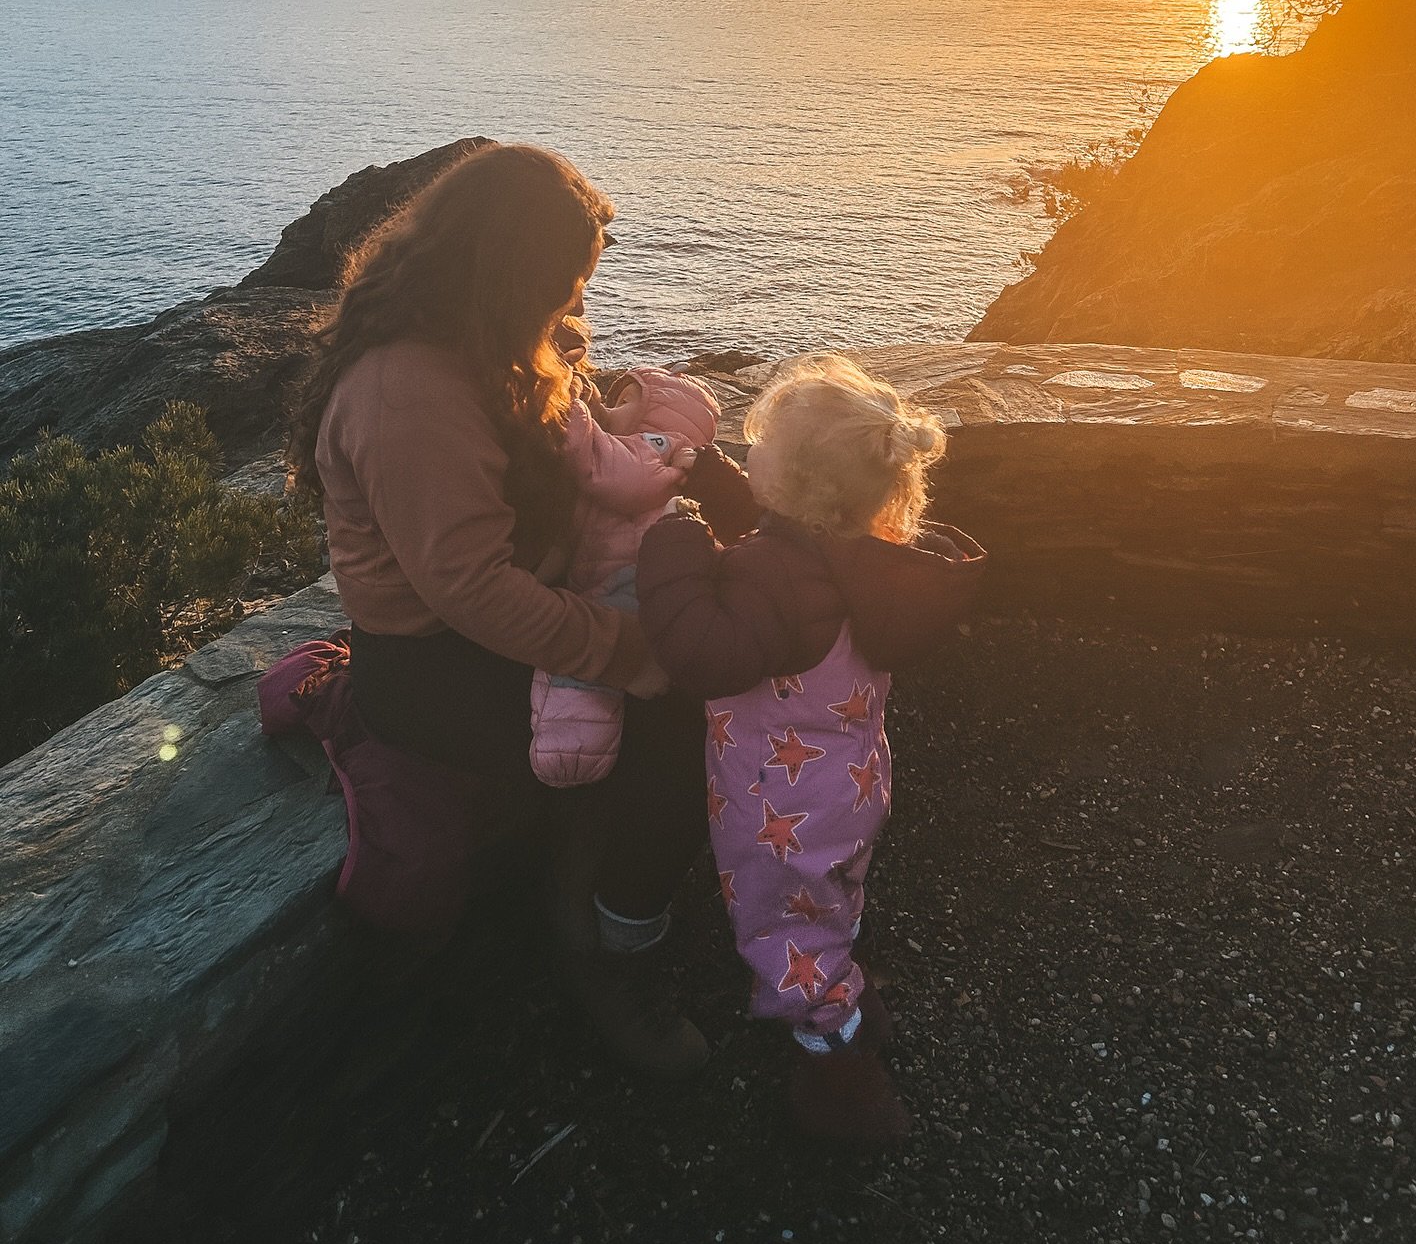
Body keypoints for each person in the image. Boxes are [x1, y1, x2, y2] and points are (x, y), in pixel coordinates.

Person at [287, 142, 757, 1078]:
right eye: (565, 285)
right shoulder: (406, 392)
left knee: (711, 650)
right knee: (670, 718)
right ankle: (599, 959)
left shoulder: (497, 341)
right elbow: (467, 587)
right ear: (505, 274)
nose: (575, 308)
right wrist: (621, 650)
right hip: (433, 660)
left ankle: (610, 901)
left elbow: (579, 457)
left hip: (524, 608)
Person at [635, 354, 987, 1143]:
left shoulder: (768, 576)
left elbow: (703, 651)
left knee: (785, 936)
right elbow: (781, 549)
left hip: (777, 813)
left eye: (758, 447)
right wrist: (722, 484)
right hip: (848, 787)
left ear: (794, 485)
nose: (748, 452)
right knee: (831, 898)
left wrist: (674, 549)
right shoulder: (864, 557)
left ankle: (844, 1080)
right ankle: (855, 993)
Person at [530, 366, 721, 787]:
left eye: (625, 400)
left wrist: (572, 401)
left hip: (625, 577)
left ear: (656, 414)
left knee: (579, 668)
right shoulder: (647, 450)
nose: (610, 407)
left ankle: (570, 755)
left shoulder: (658, 446)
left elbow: (606, 468)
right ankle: (570, 747)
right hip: (612, 573)